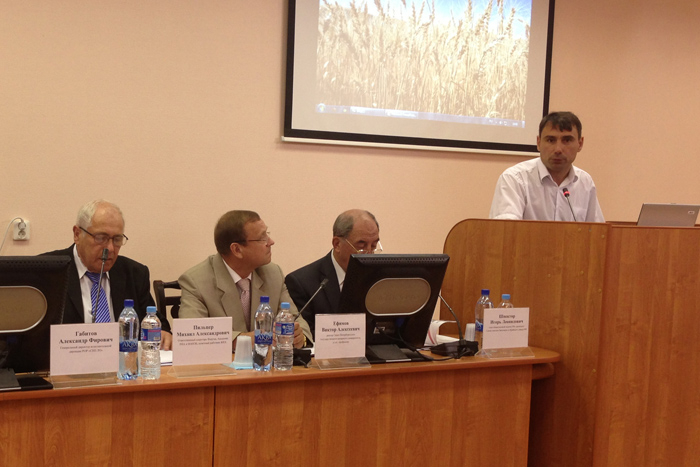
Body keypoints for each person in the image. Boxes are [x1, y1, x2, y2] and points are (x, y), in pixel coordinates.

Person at [43, 200, 173, 350]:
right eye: (101, 238)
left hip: (122, 362)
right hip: (67, 361)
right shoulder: (48, 272)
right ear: (77, 234)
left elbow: (154, 321)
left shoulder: (134, 273)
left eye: (117, 239)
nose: (110, 248)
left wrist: (163, 332)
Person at [178, 210, 311, 348]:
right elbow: (192, 335)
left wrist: (300, 337)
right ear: (237, 249)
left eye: (267, 234)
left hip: (269, 360)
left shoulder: (273, 273)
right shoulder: (196, 281)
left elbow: (296, 319)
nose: (271, 242)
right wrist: (245, 340)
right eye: (262, 238)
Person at [489, 111, 605, 222]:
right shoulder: (515, 179)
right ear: (538, 142)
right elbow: (505, 230)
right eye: (550, 140)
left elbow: (597, 231)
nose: (558, 149)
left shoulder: (585, 182)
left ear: (580, 144)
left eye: (567, 140)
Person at [285, 209, 381, 339]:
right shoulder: (301, 283)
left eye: (374, 246)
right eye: (361, 246)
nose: (369, 253)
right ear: (337, 244)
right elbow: (306, 336)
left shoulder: (379, 280)